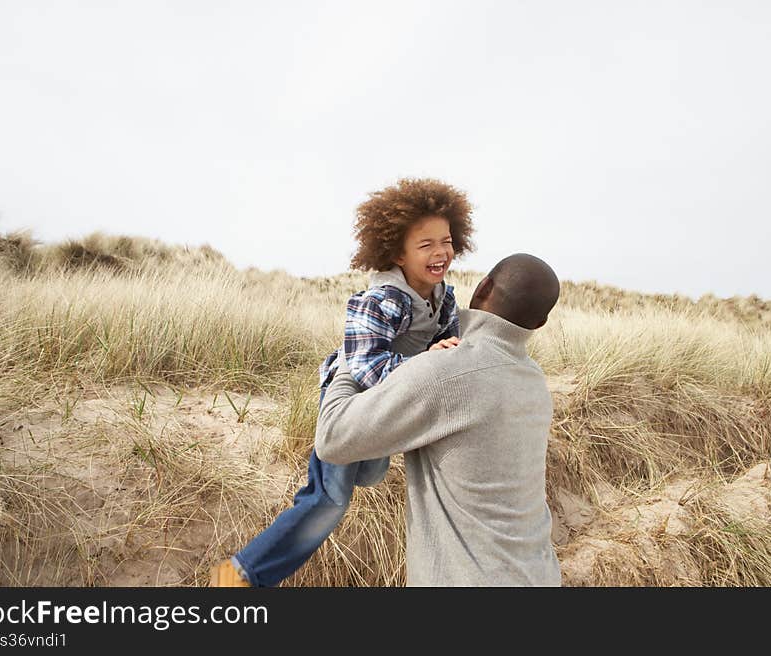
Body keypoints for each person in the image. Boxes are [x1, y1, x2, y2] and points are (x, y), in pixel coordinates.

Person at [210, 177, 475, 587]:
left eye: (446, 240)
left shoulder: (444, 295)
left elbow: (448, 343)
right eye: (426, 245)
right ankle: (236, 577)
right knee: (330, 499)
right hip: (351, 391)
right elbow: (367, 365)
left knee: (369, 473)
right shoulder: (382, 299)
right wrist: (425, 362)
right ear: (397, 255)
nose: (441, 252)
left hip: (392, 393)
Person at [314, 253, 562, 586]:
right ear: (539, 324)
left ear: (483, 287)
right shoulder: (534, 381)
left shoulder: (444, 374)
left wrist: (352, 354)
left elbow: (332, 437)